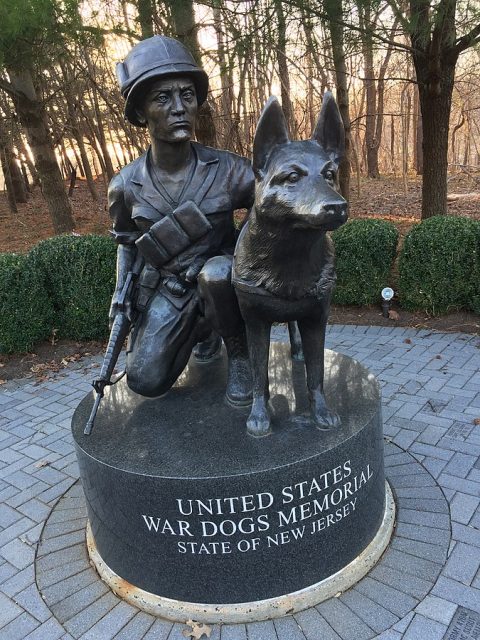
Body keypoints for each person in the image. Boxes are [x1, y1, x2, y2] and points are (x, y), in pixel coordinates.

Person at [109, 35, 254, 404]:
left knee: (216, 275)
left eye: (187, 96)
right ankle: (203, 329)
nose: (179, 108)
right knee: (144, 382)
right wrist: (120, 294)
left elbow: (269, 210)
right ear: (141, 112)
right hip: (171, 289)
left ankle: (240, 355)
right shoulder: (125, 186)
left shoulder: (231, 170)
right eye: (163, 98)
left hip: (225, 281)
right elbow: (126, 243)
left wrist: (242, 255)